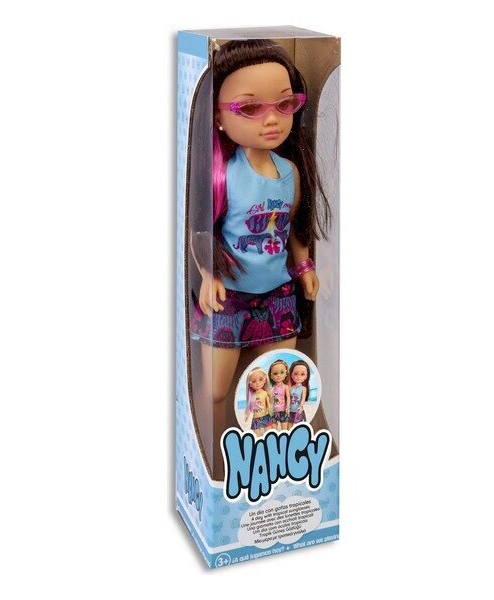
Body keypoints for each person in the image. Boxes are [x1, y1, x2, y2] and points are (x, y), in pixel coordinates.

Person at [189, 39, 330, 477]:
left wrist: (304, 267)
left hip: (277, 296)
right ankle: (211, 461)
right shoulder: (222, 175)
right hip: (228, 297)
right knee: (215, 390)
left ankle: (267, 469)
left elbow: (293, 227)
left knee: (274, 391)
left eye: (284, 104)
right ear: (218, 116)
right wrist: (208, 273)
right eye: (250, 108)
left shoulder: (290, 173)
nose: (272, 119)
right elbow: (201, 229)